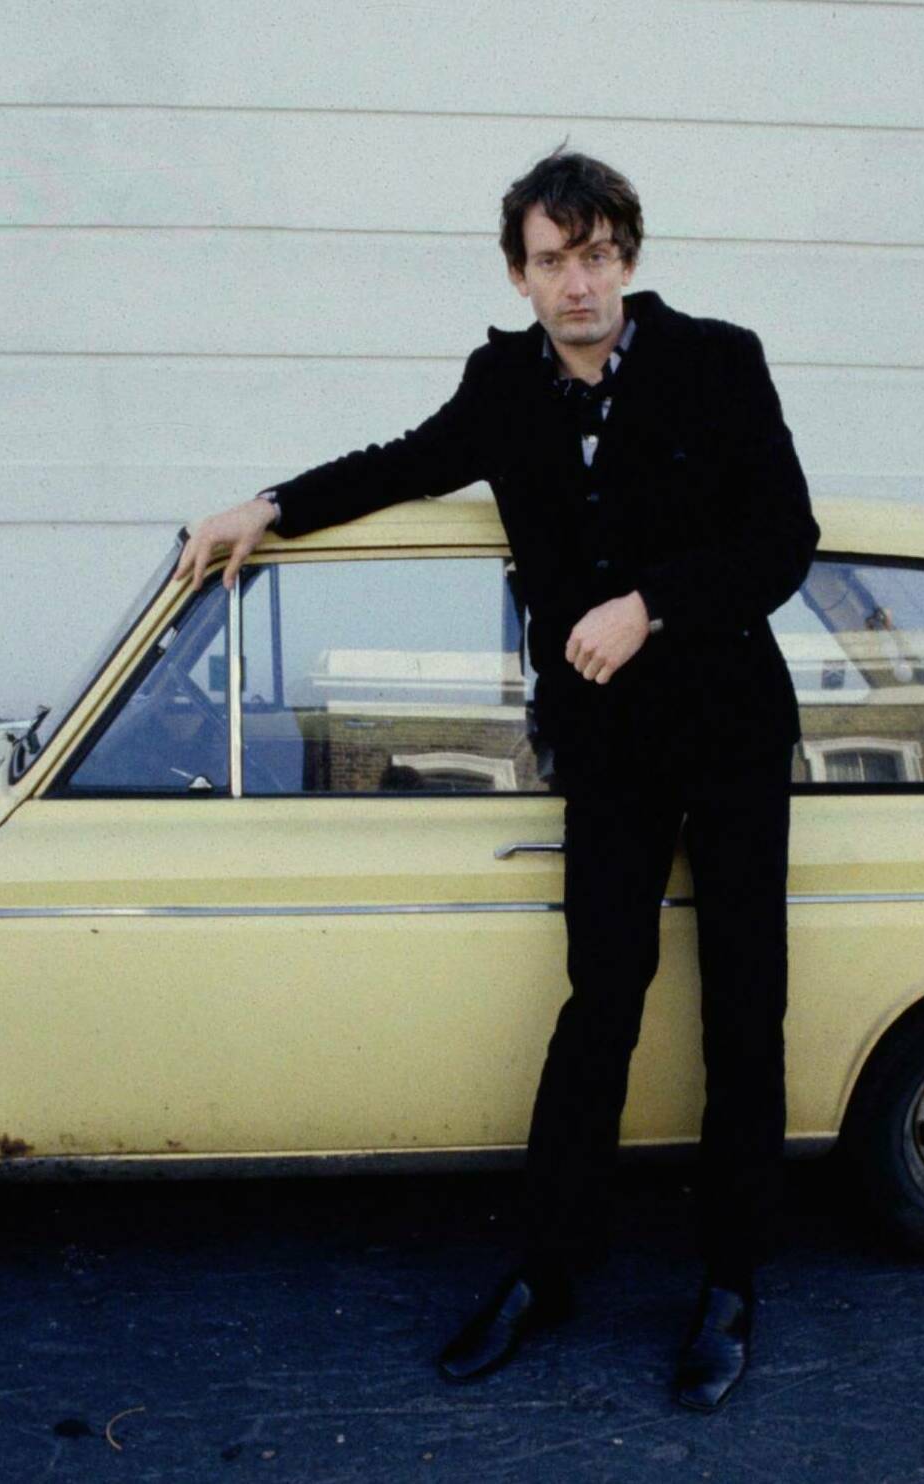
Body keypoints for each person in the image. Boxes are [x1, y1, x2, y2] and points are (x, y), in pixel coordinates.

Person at [172, 148, 817, 1413]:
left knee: (745, 1013)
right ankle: (549, 1267)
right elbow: (403, 461)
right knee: (600, 1002)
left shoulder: (719, 359)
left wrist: (650, 606)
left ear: (628, 254)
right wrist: (267, 503)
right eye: (549, 260)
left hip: (733, 727)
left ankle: (730, 1282)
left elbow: (781, 536)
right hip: (612, 748)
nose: (576, 282)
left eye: (595, 255)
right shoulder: (502, 384)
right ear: (517, 275)